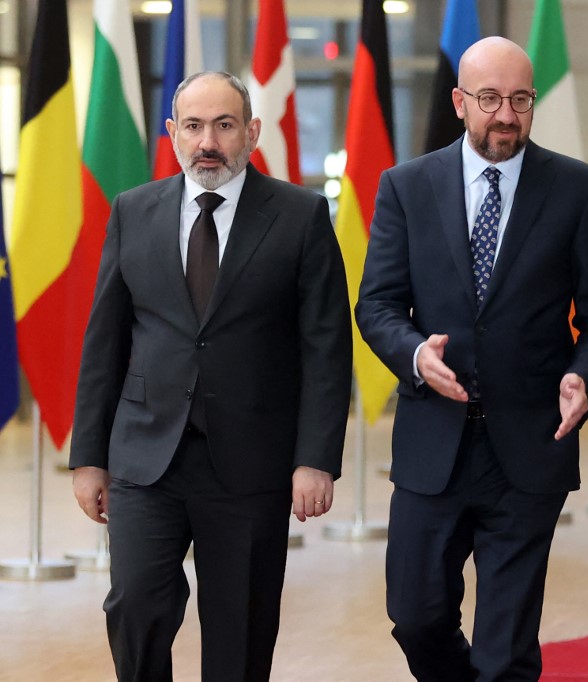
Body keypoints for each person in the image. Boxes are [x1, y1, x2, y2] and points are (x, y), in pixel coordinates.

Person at [356, 36, 588, 682]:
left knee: (505, 652)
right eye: (489, 99)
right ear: (459, 102)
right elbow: (377, 306)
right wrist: (416, 353)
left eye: (520, 100)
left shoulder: (580, 191)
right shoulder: (406, 187)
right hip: (432, 448)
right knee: (416, 616)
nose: (506, 114)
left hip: (530, 445)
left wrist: (584, 378)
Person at [69, 71, 352, 681]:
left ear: (250, 132)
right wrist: (89, 456)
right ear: (172, 133)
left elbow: (326, 349)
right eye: (193, 126)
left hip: (251, 464)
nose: (208, 141)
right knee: (136, 605)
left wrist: (316, 459)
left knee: (241, 631)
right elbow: (105, 343)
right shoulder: (133, 211)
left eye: (224, 125)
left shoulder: (301, 216)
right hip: (147, 460)